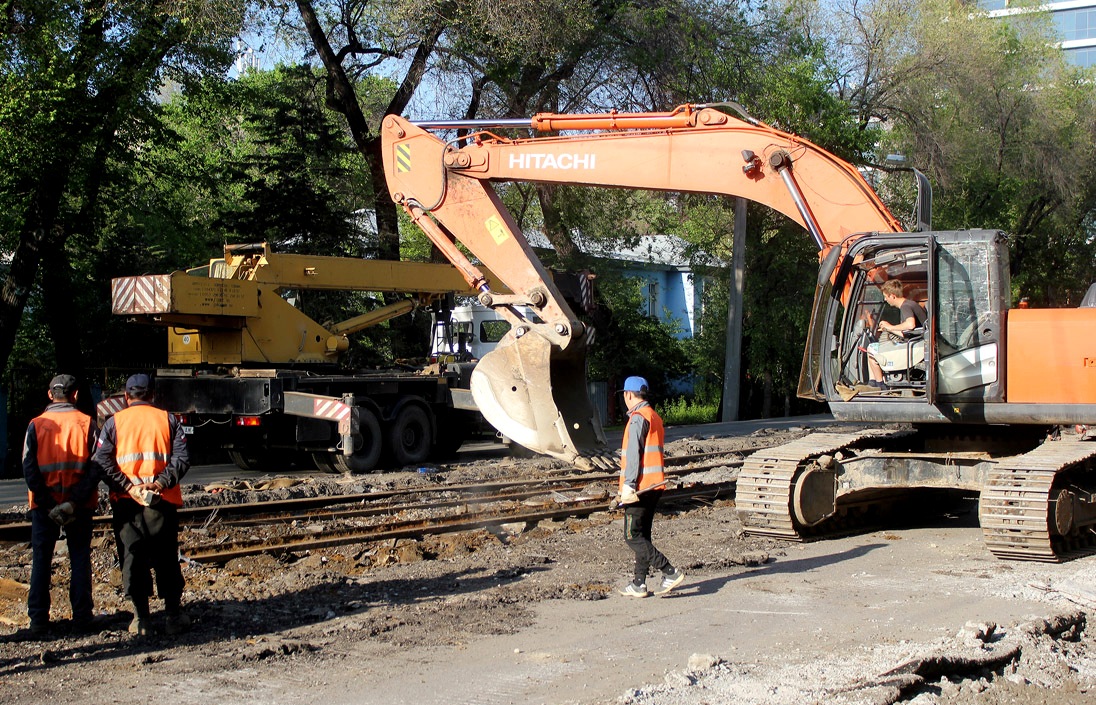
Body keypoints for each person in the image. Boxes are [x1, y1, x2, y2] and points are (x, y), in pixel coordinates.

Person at [93, 374, 191, 636]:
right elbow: (182, 458)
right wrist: (159, 484)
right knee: (167, 558)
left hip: (127, 504)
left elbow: (101, 462)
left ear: (127, 397)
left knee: (132, 556)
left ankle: (141, 619)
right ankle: (173, 615)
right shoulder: (168, 420)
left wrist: (128, 487)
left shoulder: (114, 423)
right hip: (162, 501)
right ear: (152, 395)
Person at [22, 374, 100, 636]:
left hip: (44, 508)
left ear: (49, 394)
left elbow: (29, 469)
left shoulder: (36, 425)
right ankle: (82, 618)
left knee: (41, 560)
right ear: (75, 394)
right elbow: (95, 468)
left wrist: (48, 503)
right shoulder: (87, 424)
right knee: (79, 557)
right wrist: (73, 502)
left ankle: (39, 621)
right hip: (79, 506)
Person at [616, 376, 685, 597]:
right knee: (643, 535)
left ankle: (670, 571)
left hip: (640, 488)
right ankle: (639, 583)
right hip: (654, 486)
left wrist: (628, 486)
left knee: (631, 536)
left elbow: (634, 455)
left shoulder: (637, 418)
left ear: (628, 394)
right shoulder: (653, 416)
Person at [866, 280, 927, 388]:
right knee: (872, 349)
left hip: (913, 346)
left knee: (871, 350)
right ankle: (872, 381)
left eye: (886, 296)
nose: (885, 299)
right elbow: (909, 331)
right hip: (917, 342)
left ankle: (880, 384)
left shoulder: (905, 306)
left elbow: (910, 325)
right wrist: (889, 328)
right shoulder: (911, 304)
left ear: (893, 296)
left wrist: (890, 327)